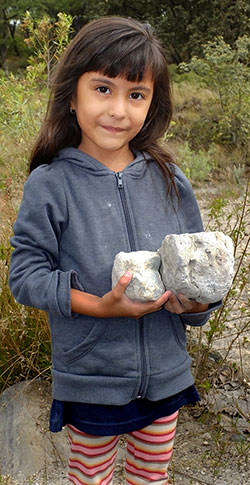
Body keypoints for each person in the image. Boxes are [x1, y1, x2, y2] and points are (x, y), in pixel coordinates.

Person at [9, 16, 220, 485]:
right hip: (92, 380)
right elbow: (24, 275)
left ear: (152, 103)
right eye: (103, 89)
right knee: (89, 477)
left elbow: (198, 277)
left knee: (152, 476)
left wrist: (200, 303)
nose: (119, 110)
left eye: (136, 94)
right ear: (72, 93)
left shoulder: (171, 180)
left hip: (166, 374)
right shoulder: (51, 184)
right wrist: (101, 307)